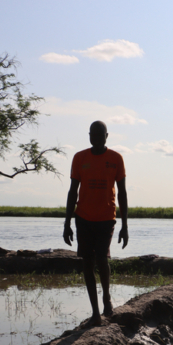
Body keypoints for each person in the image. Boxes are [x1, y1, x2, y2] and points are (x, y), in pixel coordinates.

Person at [63, 121, 128, 325]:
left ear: (106, 136)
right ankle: (95, 313)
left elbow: (122, 193)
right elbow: (73, 191)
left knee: (102, 259)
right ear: (89, 136)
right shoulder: (79, 158)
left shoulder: (116, 159)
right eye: (93, 135)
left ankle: (106, 298)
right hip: (83, 218)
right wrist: (67, 223)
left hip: (106, 218)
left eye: (100, 135)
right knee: (87, 263)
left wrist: (125, 226)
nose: (97, 139)